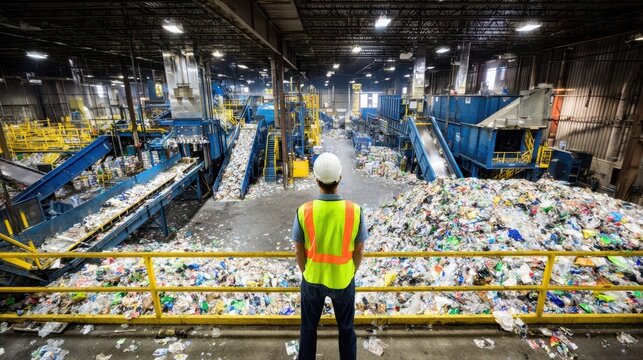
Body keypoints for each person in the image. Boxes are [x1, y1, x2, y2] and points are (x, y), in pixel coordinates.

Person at [292, 152, 368, 360]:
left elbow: (299, 250)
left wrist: (306, 271)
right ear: (340, 178)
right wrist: (350, 270)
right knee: (346, 329)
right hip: (343, 280)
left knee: (308, 329)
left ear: (316, 180)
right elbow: (359, 250)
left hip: (313, 279)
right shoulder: (355, 211)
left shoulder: (304, 211)